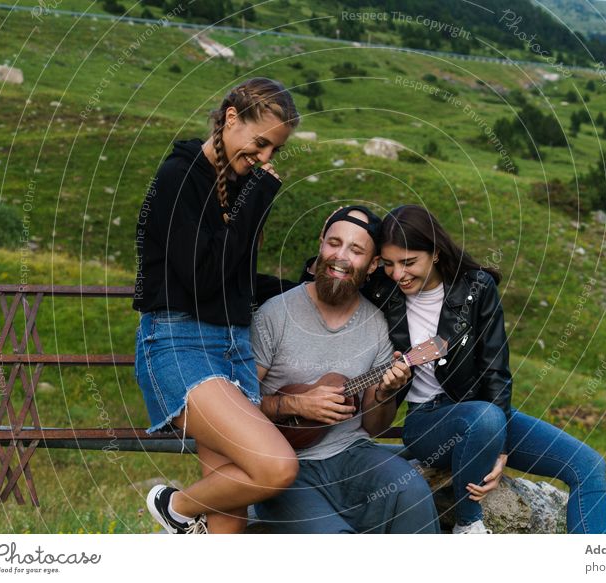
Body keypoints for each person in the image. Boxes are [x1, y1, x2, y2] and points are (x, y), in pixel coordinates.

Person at [365, 204, 606, 534]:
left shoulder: (476, 288)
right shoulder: (381, 289)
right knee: (484, 418)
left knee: (588, 465)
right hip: (426, 422)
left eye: (409, 263)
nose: (398, 274)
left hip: (486, 415)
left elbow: (495, 369)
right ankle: (469, 525)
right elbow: (325, 279)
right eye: (390, 263)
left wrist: (501, 448)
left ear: (435, 253)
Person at [132, 78, 301, 534]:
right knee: (275, 467)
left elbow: (233, 279)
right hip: (179, 344)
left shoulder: (236, 184)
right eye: (261, 143)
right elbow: (202, 276)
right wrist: (259, 199)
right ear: (231, 118)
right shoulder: (178, 179)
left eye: (274, 151)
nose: (265, 158)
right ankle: (176, 507)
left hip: (233, 348)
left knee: (231, 517)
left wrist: (302, 286)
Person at [250, 206, 440, 533]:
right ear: (321, 244)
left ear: (373, 265)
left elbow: (375, 427)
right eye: (334, 243)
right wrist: (294, 405)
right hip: (283, 463)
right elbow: (236, 403)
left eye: (355, 250)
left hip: (350, 454)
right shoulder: (275, 314)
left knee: (413, 493)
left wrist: (384, 392)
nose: (340, 256)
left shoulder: (376, 326)